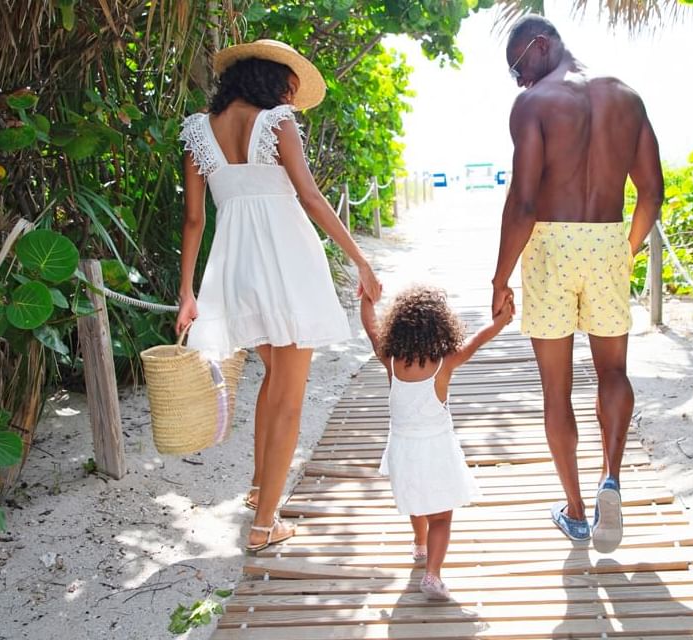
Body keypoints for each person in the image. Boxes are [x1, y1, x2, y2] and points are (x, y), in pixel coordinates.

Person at [175, 40, 381, 552]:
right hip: (287, 263)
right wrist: (360, 259)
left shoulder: (200, 132)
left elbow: (195, 219)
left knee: (273, 378)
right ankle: (266, 525)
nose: (292, 94)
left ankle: (257, 488)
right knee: (290, 397)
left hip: (237, 266)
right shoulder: (277, 122)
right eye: (289, 84)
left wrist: (187, 292)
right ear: (273, 81)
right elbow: (310, 197)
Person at [491, 16, 664, 553]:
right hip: (608, 240)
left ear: (540, 47)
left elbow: (523, 203)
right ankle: (610, 476)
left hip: (549, 247)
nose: (520, 82)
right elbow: (652, 192)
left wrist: (500, 278)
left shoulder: (535, 105)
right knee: (613, 371)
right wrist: (625, 249)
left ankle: (575, 511)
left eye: (518, 68)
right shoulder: (627, 98)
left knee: (555, 390)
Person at [360, 285, 514, 599]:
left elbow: (370, 327)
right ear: (441, 327)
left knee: (416, 503)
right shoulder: (446, 362)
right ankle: (432, 575)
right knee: (441, 517)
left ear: (397, 327)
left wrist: (366, 297)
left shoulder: (389, 359)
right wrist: (502, 320)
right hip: (437, 449)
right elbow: (478, 340)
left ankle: (419, 546)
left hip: (403, 449)